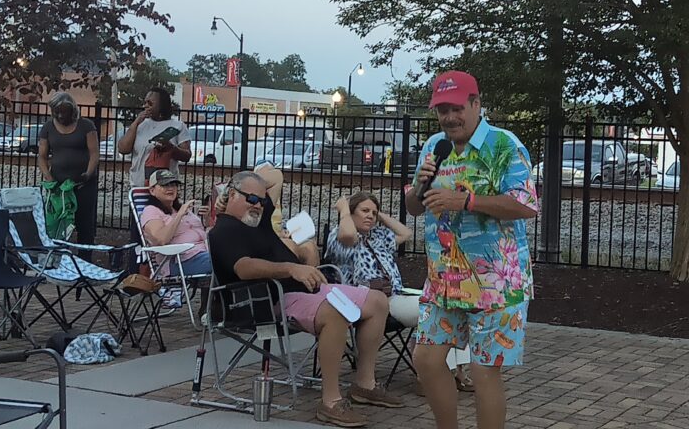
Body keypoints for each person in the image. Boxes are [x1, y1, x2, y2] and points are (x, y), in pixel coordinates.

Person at [208, 171, 403, 428]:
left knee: (377, 301)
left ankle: (364, 385)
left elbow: (275, 176)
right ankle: (331, 402)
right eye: (251, 199)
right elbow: (244, 267)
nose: (258, 205)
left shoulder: (257, 219)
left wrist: (248, 187)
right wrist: (291, 268)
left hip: (302, 289)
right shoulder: (224, 230)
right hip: (267, 299)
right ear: (232, 195)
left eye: (261, 200)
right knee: (334, 312)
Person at [404, 71, 539, 429]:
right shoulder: (435, 146)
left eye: (457, 108)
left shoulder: (504, 145)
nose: (450, 117)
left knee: (483, 371)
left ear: (476, 104)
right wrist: (419, 187)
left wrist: (465, 201)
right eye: (442, 110)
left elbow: (526, 206)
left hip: (495, 282)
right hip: (444, 280)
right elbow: (413, 208)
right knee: (427, 360)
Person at [325, 191, 473, 393]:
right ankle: (427, 375)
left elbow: (405, 233)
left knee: (452, 304)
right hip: (369, 301)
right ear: (351, 213)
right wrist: (343, 209)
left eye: (373, 213)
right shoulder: (339, 236)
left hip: (395, 295)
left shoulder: (378, 236)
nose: (370, 216)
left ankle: (456, 371)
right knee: (433, 311)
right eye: (364, 211)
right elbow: (349, 235)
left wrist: (379, 215)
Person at [38, 92, 100, 259]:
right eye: (56, 112)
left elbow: (94, 153)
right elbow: (42, 156)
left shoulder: (86, 126)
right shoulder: (48, 127)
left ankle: (84, 261)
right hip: (59, 186)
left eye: (63, 112)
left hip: (82, 184)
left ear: (73, 110)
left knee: (84, 225)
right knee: (58, 223)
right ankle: (57, 260)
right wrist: (48, 177)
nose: (60, 115)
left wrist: (88, 173)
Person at [140, 169, 212, 278]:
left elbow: (201, 232)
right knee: (225, 261)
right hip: (180, 260)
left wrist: (207, 219)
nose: (170, 188)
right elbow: (161, 239)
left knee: (234, 255)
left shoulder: (180, 209)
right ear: (152, 190)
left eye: (173, 185)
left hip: (204, 253)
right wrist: (179, 216)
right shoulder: (151, 211)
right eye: (165, 185)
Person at [117, 86, 191, 188]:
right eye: (145, 102)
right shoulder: (141, 125)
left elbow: (187, 155)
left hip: (164, 188)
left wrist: (170, 148)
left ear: (162, 105)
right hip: (138, 185)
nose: (146, 106)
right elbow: (123, 149)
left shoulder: (178, 126)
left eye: (150, 103)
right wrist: (136, 123)